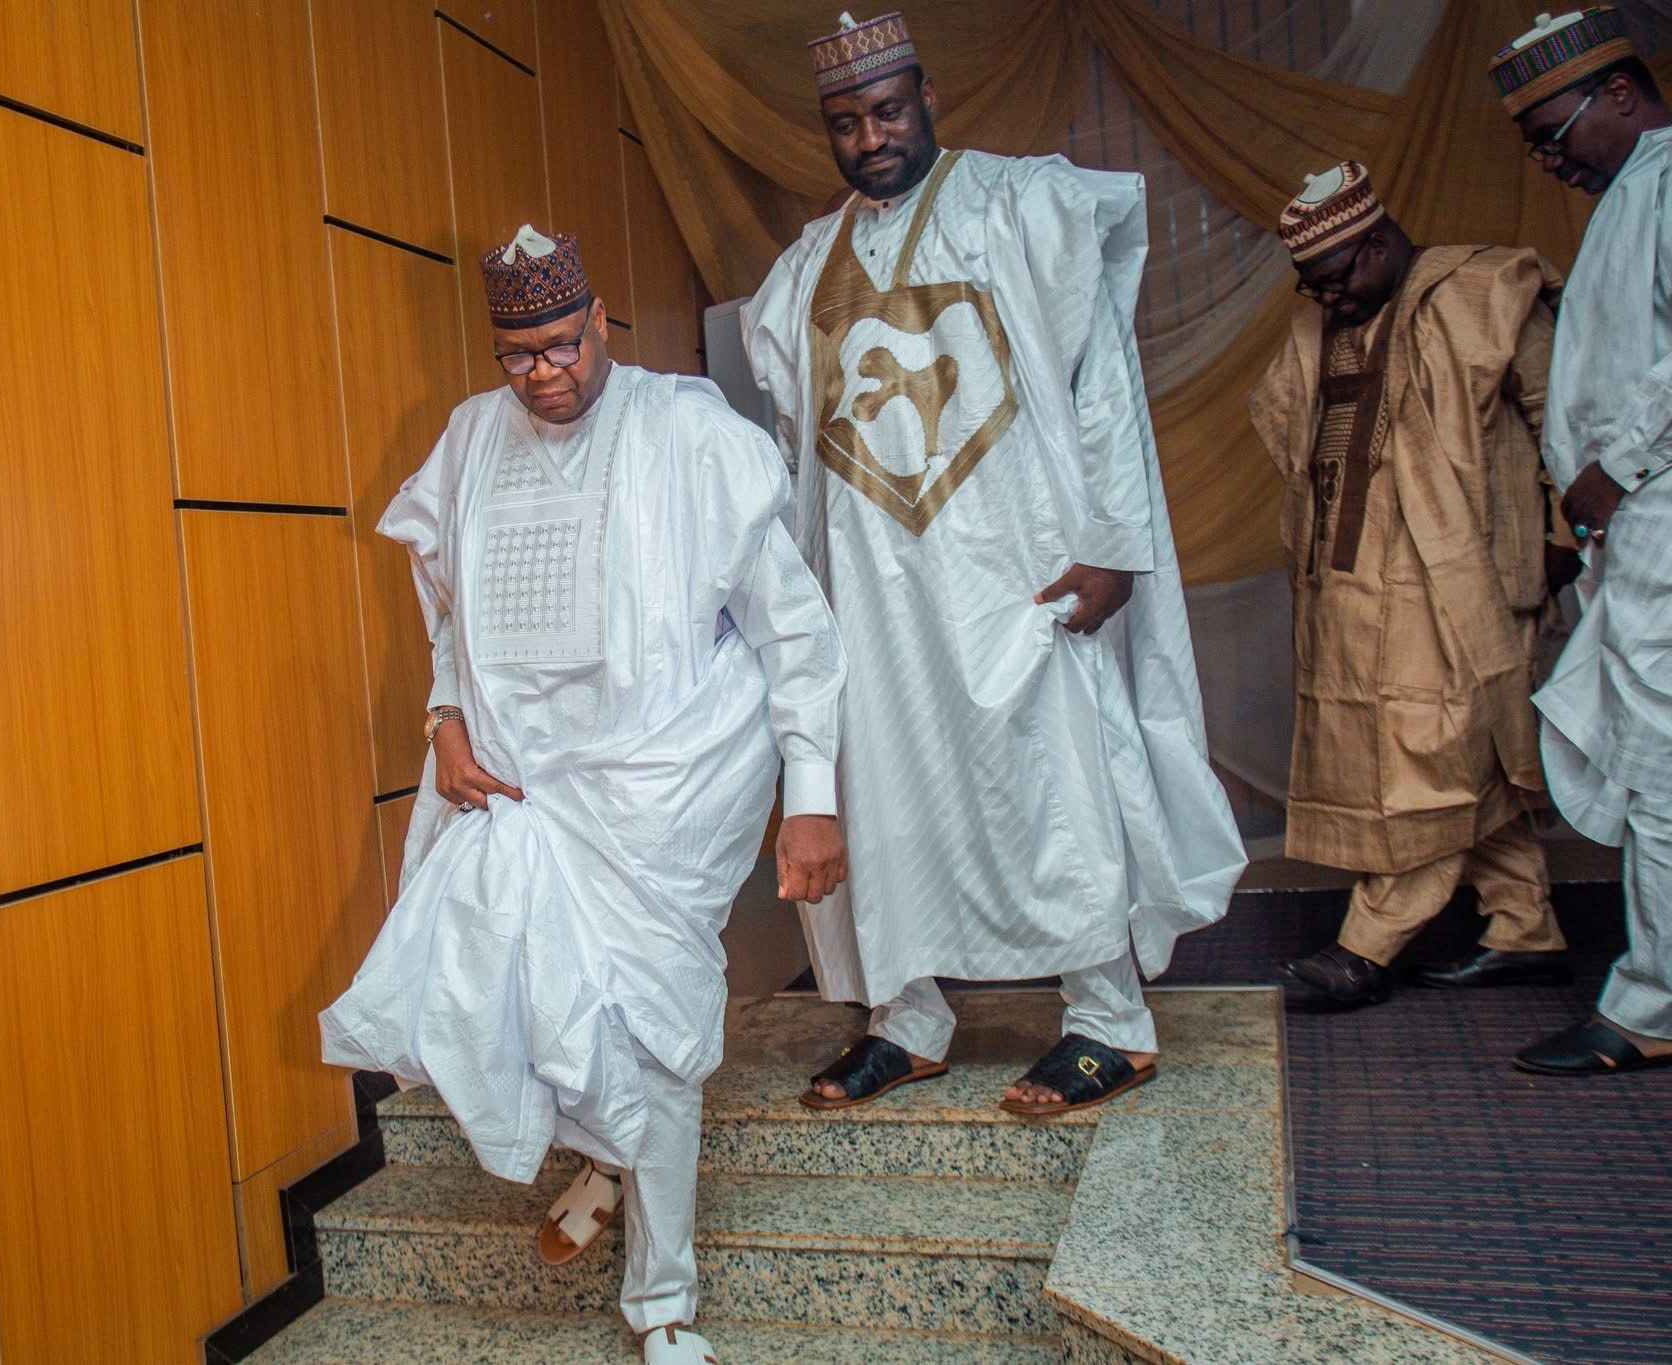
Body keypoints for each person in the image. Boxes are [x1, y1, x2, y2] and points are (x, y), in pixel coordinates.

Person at [320, 225, 848, 1362]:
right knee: (530, 999)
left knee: (653, 1030)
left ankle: (663, 1304)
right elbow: (449, 613)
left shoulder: (689, 432)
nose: (544, 373)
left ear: (600, 320)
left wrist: (810, 791)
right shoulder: (471, 436)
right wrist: (442, 718)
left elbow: (792, 629)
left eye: (564, 344)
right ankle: (610, 1156)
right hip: (515, 786)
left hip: (665, 789)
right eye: (518, 355)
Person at [741, 11, 1244, 1117]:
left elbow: (1099, 380)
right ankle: (907, 1020)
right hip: (874, 593)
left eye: (887, 111)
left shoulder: (1017, 206)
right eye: (845, 123)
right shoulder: (803, 270)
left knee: (1056, 780)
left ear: (925, 97)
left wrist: (1112, 544)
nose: (870, 138)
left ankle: (1108, 1020)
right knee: (887, 795)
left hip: (1020, 567)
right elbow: (793, 453)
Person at [1250, 163, 1575, 1009]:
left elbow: (1566, 416)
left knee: (1435, 765)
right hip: (1360, 587)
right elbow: (1291, 424)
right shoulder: (1328, 322)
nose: (1328, 299)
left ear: (1377, 243)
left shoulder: (1487, 291)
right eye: (1312, 286)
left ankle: (1367, 946)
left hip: (1468, 579)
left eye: (1336, 278)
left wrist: (1562, 533)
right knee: (1469, 756)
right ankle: (1525, 927)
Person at [1491, 9, 1672, 1075]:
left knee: (1659, 767)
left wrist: (1616, 470)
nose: (1549, 162)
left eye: (1553, 135)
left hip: (1657, 513)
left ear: (1618, 93)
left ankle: (1650, 1004)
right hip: (1635, 527)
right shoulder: (1629, 193)